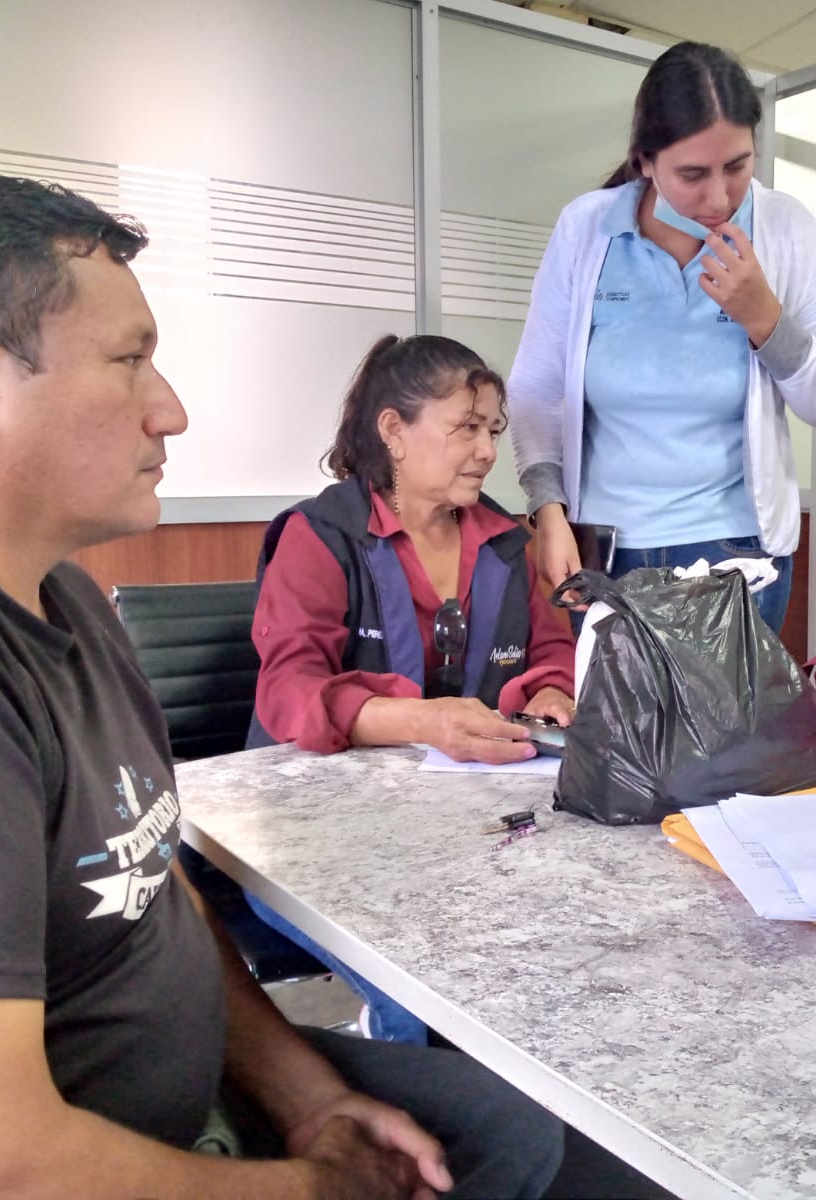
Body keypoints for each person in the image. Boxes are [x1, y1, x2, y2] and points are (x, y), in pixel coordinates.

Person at [0, 173, 564, 1199]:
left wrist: (307, 1097)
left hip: (191, 1101)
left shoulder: (59, 596)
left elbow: (145, 884)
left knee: (517, 1138)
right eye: (129, 361)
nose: (168, 409)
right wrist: (312, 1189)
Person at [244, 333, 577, 1044]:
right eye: (466, 428)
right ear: (394, 430)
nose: (487, 452)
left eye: (494, 431)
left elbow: (553, 649)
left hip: (467, 828)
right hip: (318, 834)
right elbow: (290, 690)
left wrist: (552, 694)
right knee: (425, 986)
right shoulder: (321, 535)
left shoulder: (505, 542)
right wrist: (423, 722)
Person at [508, 41, 816, 633]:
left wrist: (766, 320)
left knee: (729, 704)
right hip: (607, 555)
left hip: (737, 555)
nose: (720, 197)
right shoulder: (587, 227)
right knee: (614, 700)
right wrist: (547, 511)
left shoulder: (784, 229)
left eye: (738, 166)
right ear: (645, 161)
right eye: (693, 174)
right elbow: (536, 389)